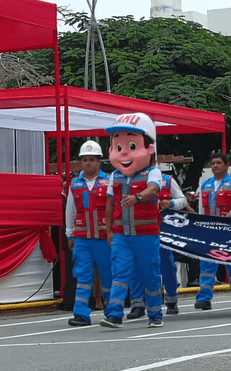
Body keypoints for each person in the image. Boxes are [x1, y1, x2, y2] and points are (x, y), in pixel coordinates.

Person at [102, 112, 163, 328]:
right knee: (119, 273)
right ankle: (114, 314)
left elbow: (153, 189)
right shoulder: (114, 176)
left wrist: (137, 197)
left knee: (150, 274)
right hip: (121, 235)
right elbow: (110, 204)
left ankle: (155, 314)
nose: (124, 153)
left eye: (131, 146)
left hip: (146, 235)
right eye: (118, 147)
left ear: (149, 148)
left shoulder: (153, 173)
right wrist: (109, 231)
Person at [127, 170, 188, 319]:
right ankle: (137, 304)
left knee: (166, 265)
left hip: (164, 231)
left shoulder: (167, 180)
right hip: (141, 230)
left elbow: (183, 200)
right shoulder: (132, 179)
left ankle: (171, 300)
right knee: (137, 267)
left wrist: (171, 203)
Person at [64, 141, 112, 326]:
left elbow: (114, 210)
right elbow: (71, 211)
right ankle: (81, 314)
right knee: (83, 276)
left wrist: (113, 234)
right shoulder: (75, 185)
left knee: (108, 275)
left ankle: (112, 311)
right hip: (82, 239)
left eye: (92, 159)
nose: (88, 163)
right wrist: (70, 235)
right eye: (85, 159)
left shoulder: (108, 182)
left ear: (99, 161)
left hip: (103, 239)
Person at [194, 152, 231, 310]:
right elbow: (202, 208)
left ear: (227, 165)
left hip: (228, 229)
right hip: (209, 230)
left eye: (218, 163)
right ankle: (204, 298)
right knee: (207, 264)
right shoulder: (206, 184)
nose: (215, 166)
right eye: (213, 163)